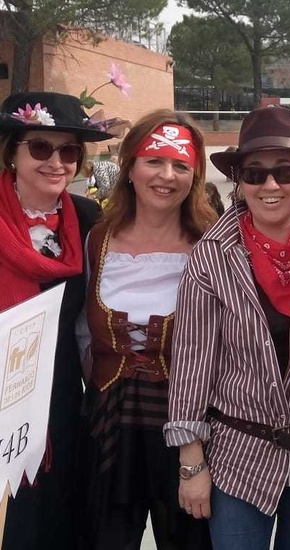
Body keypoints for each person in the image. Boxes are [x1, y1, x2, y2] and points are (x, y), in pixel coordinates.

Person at [164, 106, 290, 549]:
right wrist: (191, 463)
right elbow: (193, 358)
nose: (270, 185)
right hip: (239, 455)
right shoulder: (212, 254)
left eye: (286, 171)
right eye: (255, 172)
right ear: (239, 181)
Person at [80, 109, 216, 549]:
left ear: (194, 176)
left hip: (185, 430)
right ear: (130, 166)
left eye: (181, 165)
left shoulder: (211, 246)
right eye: (154, 160)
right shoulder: (96, 240)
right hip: (107, 426)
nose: (167, 175)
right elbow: (80, 330)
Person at [0, 91, 112, 549]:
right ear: (12, 153)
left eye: (69, 151)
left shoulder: (87, 218)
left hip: (62, 402)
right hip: (0, 400)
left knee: (59, 522)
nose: (57, 162)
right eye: (41, 147)